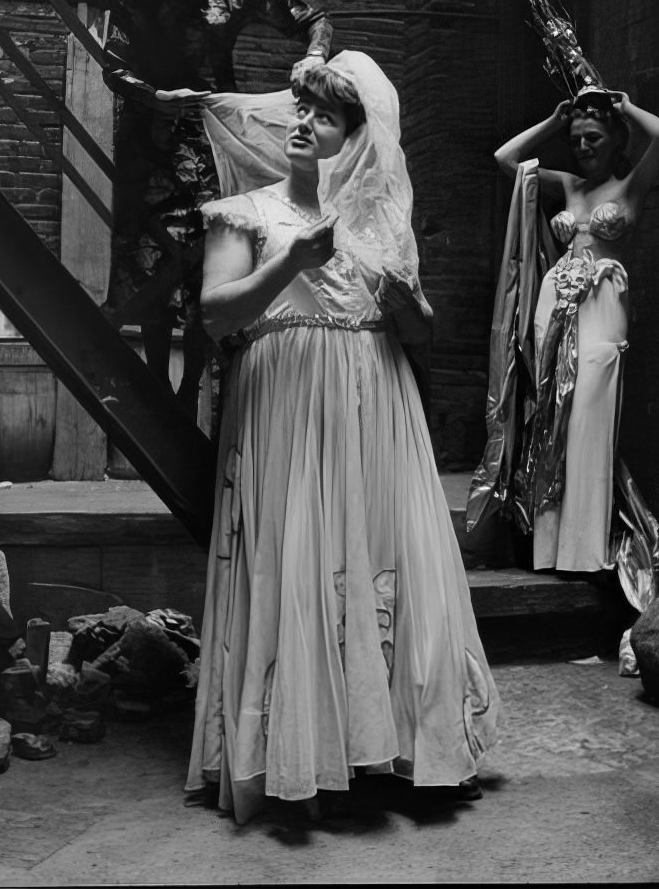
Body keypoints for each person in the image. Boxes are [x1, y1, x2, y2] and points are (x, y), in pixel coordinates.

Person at [184, 51, 499, 823]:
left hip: (374, 399)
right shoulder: (247, 212)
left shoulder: (382, 220)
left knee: (379, 554)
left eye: (325, 116)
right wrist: (290, 257)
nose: (303, 124)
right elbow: (216, 314)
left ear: (354, 138)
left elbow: (423, 337)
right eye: (301, 109)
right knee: (297, 560)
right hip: (289, 402)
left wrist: (403, 307)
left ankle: (396, 744)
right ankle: (295, 752)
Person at [101, 0, 333, 416]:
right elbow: (113, 63)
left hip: (216, 138)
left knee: (214, 256)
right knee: (155, 261)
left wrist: (315, 54)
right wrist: (155, 97)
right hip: (151, 141)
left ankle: (193, 392)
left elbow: (313, 17)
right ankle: (156, 377)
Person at [491, 87, 659, 574]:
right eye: (576, 140)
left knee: (590, 414)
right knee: (553, 417)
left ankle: (584, 550)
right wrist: (554, 121)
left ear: (616, 140)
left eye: (593, 137)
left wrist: (626, 105)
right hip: (557, 307)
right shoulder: (570, 185)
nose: (583, 148)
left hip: (604, 304)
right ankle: (550, 550)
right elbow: (506, 159)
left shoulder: (631, 185)